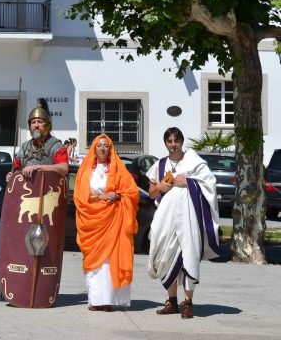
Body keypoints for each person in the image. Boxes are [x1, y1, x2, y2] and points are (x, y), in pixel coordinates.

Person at [146, 127, 220, 319]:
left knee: (189, 256)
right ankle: (171, 301)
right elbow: (151, 192)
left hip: (189, 219)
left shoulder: (193, 161)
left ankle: (188, 303)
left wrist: (189, 182)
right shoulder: (160, 165)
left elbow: (210, 183)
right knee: (165, 256)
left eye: (176, 141)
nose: (173, 145)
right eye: (169, 141)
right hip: (166, 220)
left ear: (181, 142)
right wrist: (161, 186)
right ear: (165, 144)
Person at [73, 134, 139, 311]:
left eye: (106, 146)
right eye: (99, 145)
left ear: (111, 149)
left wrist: (117, 195)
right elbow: (80, 196)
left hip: (114, 219)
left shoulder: (118, 168)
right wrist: (101, 196)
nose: (102, 148)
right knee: (95, 264)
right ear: (93, 149)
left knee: (109, 261)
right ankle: (95, 300)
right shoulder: (86, 169)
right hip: (92, 221)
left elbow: (132, 192)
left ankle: (108, 301)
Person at [7, 99, 68, 181]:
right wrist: (12, 177)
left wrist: (39, 167)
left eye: (40, 122)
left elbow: (64, 168)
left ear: (47, 125)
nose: (36, 125)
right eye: (33, 122)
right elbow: (17, 170)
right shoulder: (25, 147)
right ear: (30, 126)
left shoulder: (56, 145)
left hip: (49, 191)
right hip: (27, 191)